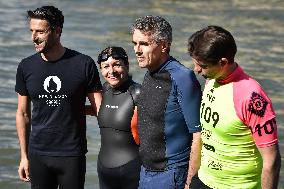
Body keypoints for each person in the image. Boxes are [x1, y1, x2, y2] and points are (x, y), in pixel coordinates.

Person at [15, 6, 102, 189]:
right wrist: (24, 156)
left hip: (72, 154)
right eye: (32, 31)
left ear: (57, 31)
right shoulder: (26, 66)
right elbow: (23, 114)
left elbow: (99, 109)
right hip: (38, 154)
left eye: (40, 31)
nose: (34, 37)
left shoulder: (83, 64)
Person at [187, 25, 281, 189]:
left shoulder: (252, 98)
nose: (196, 70)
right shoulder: (212, 80)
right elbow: (202, 137)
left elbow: (271, 161)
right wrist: (189, 182)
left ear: (223, 62)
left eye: (202, 65)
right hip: (203, 180)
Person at [131, 15, 202, 189]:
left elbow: (199, 134)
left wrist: (189, 183)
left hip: (172, 175)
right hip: (146, 171)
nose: (137, 50)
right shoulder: (150, 72)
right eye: (134, 43)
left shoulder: (182, 77)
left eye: (144, 44)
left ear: (164, 45)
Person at [95, 46, 141, 189]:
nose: (111, 71)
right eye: (106, 66)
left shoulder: (138, 93)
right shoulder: (105, 89)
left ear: (126, 66)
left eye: (117, 65)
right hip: (104, 169)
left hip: (131, 169)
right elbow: (105, 112)